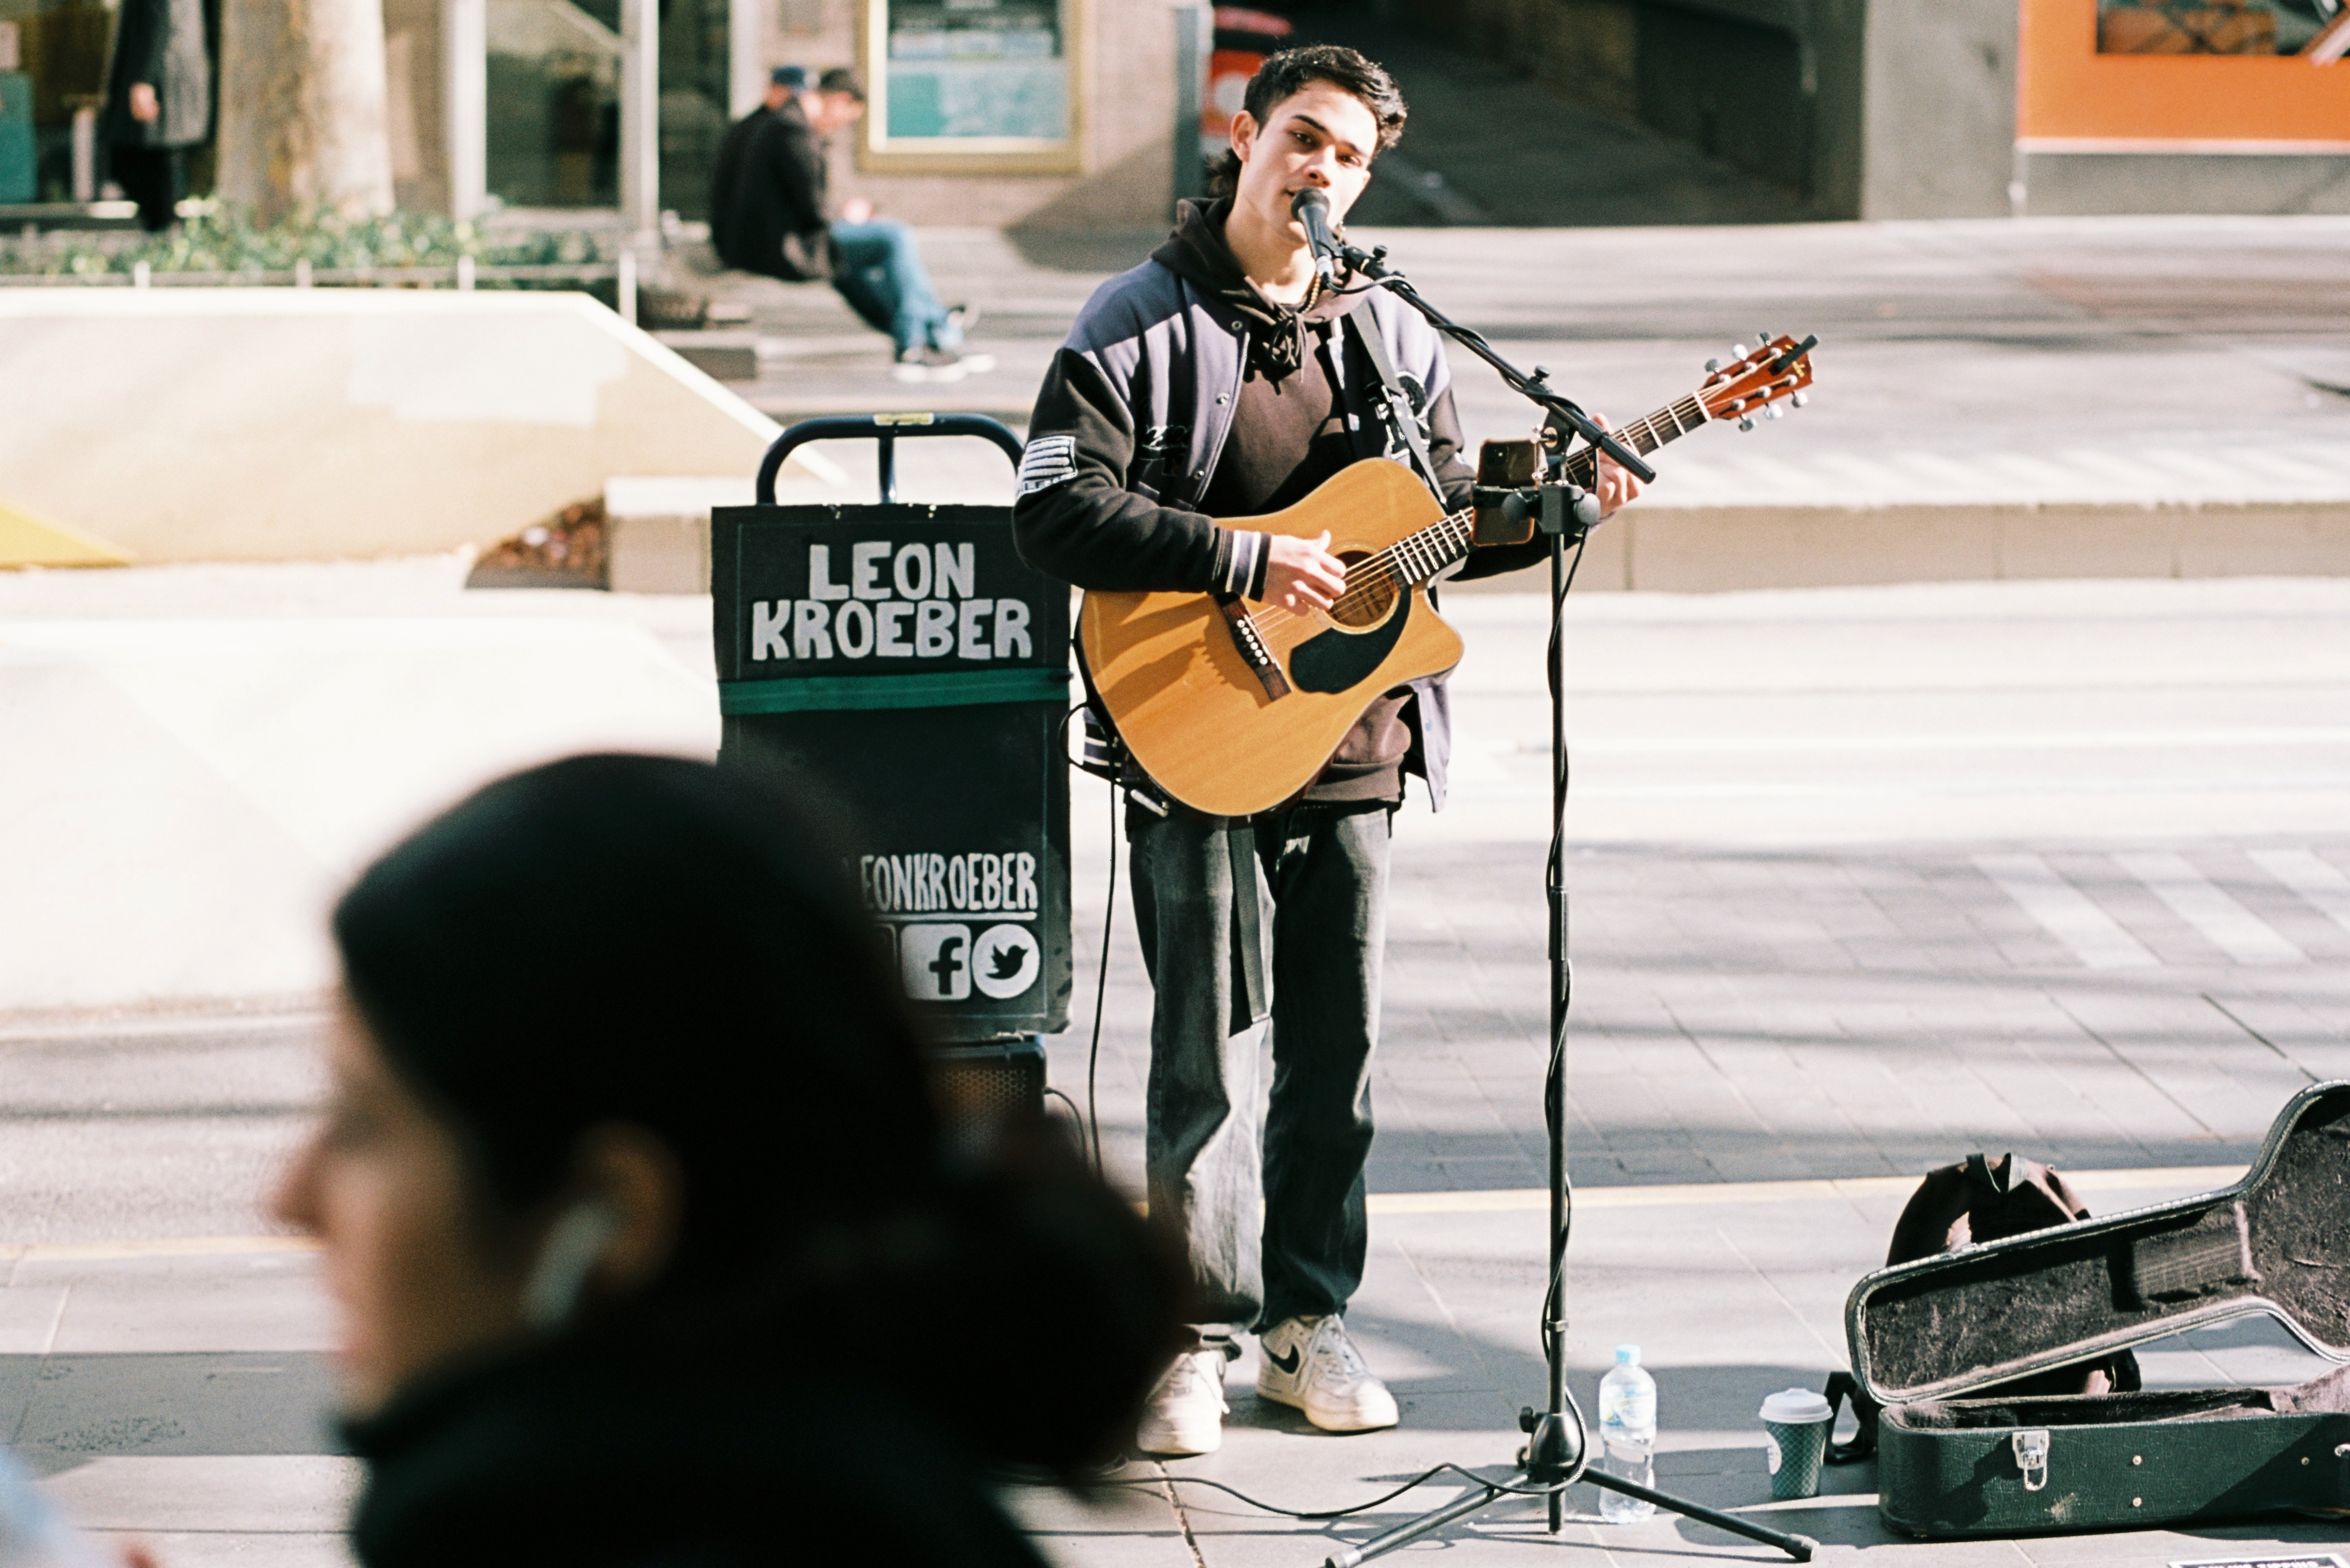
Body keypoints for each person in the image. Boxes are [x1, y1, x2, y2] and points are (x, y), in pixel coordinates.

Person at [1010, 45, 1642, 1457]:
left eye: (1347, 157)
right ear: (1242, 137)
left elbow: (1429, 547)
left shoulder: (1393, 336)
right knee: (1204, 1060)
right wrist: (1239, 560)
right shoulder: (1136, 321)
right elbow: (1050, 517)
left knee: (1334, 1054)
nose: (1321, 172)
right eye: (1302, 138)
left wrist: (1561, 511)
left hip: (1352, 742)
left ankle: (1308, 1319)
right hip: (1191, 739)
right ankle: (1188, 1339)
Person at [273, 754, 1180, 1566]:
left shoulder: (566, 1532)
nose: (288, 1198)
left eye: (361, 1122)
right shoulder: (856, 1498)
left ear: (611, 1211)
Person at [708, 65, 987, 384]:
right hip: (778, 247)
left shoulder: (782, 123)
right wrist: (847, 216)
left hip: (766, 241)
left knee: (846, 266)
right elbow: (813, 209)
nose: (841, 126)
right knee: (894, 237)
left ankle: (928, 339)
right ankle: (926, 337)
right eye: (848, 118)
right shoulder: (793, 130)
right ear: (839, 101)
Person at [98, 0, 208, 232]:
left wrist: (144, 80)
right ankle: (165, 230)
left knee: (146, 165)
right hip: (166, 78)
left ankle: (165, 232)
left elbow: (157, 19)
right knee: (151, 166)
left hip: (162, 81)